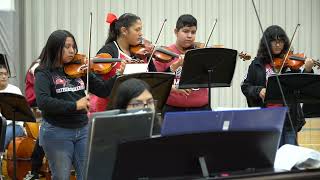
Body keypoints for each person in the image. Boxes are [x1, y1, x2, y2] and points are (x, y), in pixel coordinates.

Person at [34, 29, 124, 180]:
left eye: (73, 46)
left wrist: (117, 75)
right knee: (62, 176)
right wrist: (75, 105)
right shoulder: (44, 72)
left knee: (88, 175)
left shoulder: (81, 69)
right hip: (57, 132)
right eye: (67, 47)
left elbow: (103, 90)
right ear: (55, 48)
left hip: (82, 129)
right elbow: (43, 102)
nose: (72, 50)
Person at [241, 25, 314, 147]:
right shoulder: (257, 64)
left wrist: (307, 69)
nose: (278, 45)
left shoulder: (291, 64)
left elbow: (302, 85)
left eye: (281, 41)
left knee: (289, 157)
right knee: (271, 155)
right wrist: (259, 90)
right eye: (274, 41)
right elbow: (245, 86)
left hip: (289, 118)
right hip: (266, 119)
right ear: (266, 43)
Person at [90, 12, 156, 113]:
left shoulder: (141, 52)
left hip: (135, 109)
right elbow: (100, 88)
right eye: (137, 29)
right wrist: (119, 74)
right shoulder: (108, 51)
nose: (141, 33)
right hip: (108, 109)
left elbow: (153, 78)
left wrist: (149, 57)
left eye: (141, 29)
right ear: (124, 31)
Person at [153, 14, 209, 115]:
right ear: (176, 32)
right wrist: (176, 65)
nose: (190, 36)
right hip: (173, 110)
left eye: (193, 32)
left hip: (201, 109)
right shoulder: (164, 54)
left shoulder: (201, 52)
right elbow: (157, 84)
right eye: (185, 31)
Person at [0, 64, 26, 177]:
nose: (4, 77)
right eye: (0, 74)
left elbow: (22, 114)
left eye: (5, 74)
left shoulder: (14, 90)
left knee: (4, 133)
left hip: (15, 126)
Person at [24, 56, 45, 180]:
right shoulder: (38, 66)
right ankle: (34, 169)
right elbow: (42, 89)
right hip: (35, 100)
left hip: (44, 100)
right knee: (45, 130)